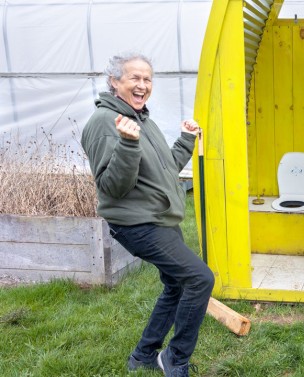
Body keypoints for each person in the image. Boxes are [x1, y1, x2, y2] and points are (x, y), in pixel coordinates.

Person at [81, 52, 214, 377]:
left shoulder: (141, 119)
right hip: (138, 224)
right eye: (134, 78)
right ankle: (175, 358)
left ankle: (143, 355)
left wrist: (186, 139)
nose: (142, 85)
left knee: (178, 285)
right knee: (199, 279)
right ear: (114, 82)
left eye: (147, 79)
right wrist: (127, 144)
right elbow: (113, 187)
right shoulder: (104, 124)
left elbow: (164, 169)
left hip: (159, 219)